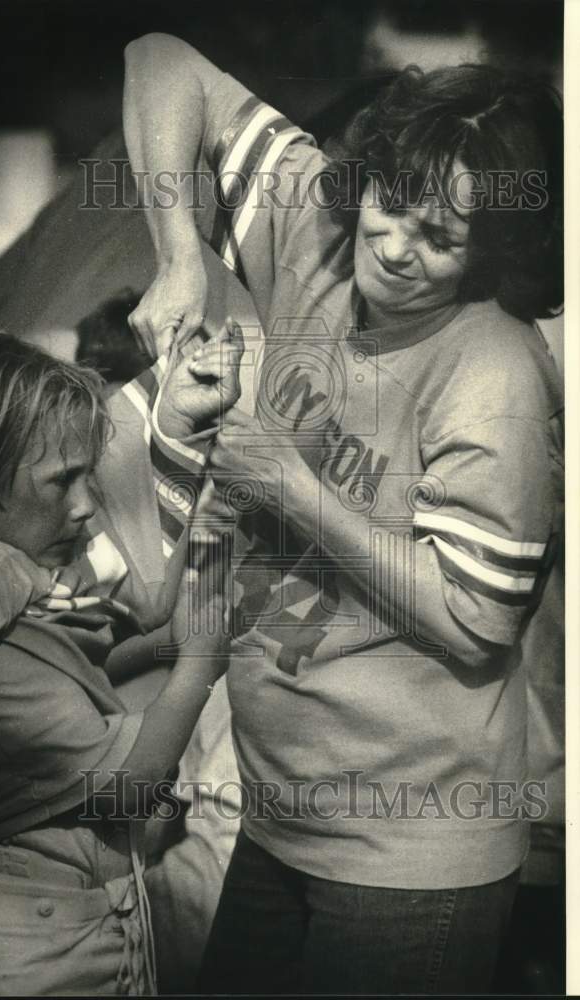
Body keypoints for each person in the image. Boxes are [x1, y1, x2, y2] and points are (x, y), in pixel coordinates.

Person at [122, 33, 563, 994]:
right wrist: (179, 257)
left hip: (411, 856)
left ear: (492, 253)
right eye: (392, 208)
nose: (396, 250)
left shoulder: (495, 376)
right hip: (278, 816)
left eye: (441, 241)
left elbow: (477, 621)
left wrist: (292, 488)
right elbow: (160, 61)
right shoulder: (319, 232)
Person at [0, 325, 244, 995]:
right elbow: (130, 784)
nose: (83, 507)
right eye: (60, 482)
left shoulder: (0, 582)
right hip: (32, 957)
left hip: (80, 931)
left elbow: (79, 649)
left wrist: (160, 641)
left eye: (86, 476)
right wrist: (196, 666)